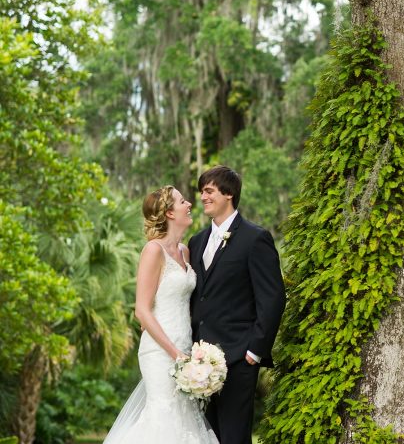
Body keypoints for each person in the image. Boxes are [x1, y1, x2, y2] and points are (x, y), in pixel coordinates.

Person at [104, 186, 217, 444]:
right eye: (182, 201)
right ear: (169, 212)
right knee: (164, 416)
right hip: (159, 351)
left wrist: (190, 354)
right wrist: (174, 353)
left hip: (185, 348)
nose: (189, 203)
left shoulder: (185, 252)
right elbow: (141, 310)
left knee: (186, 419)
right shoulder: (153, 251)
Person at [189, 165, 286, 444]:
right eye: (201, 192)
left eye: (209, 191)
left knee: (233, 437)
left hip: (238, 359)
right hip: (198, 365)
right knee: (205, 436)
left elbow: (273, 297)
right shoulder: (196, 242)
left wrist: (254, 351)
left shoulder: (255, 239)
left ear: (228, 193)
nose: (203, 197)